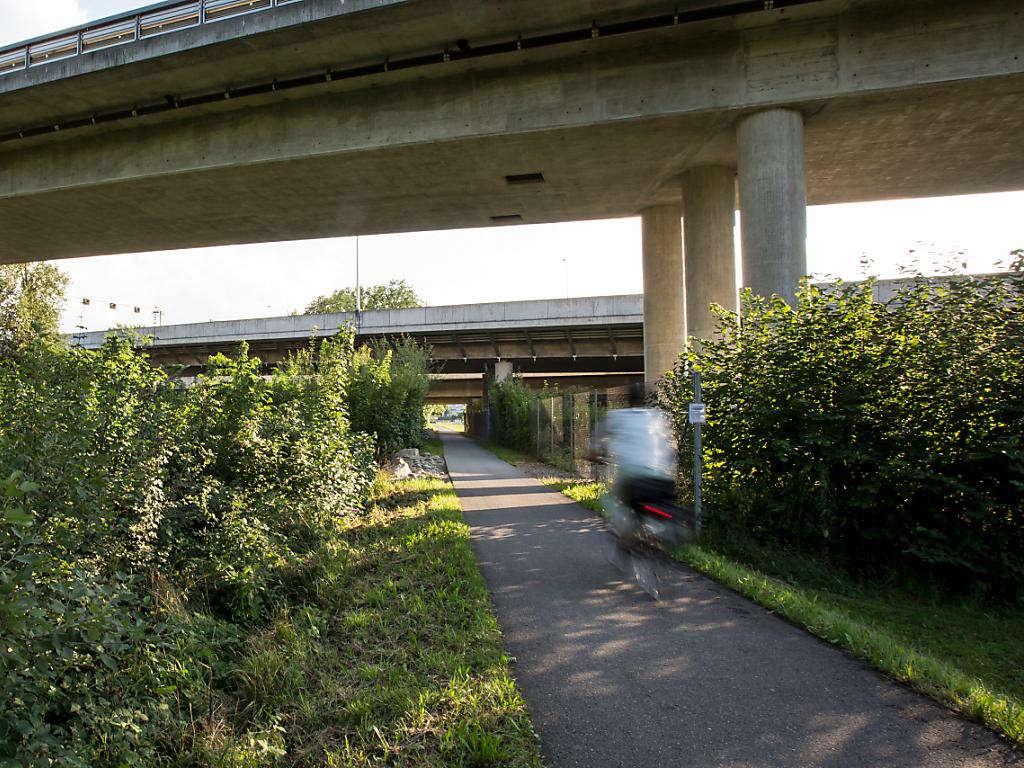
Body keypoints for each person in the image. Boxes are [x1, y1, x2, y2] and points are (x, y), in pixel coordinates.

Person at [591, 383, 678, 548]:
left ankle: (626, 532)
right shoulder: (658, 417)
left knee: (609, 499)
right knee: (662, 504)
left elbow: (595, 443)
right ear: (645, 399)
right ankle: (658, 532)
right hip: (662, 476)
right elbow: (670, 444)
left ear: (627, 399)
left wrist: (594, 454)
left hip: (631, 475)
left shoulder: (617, 416)